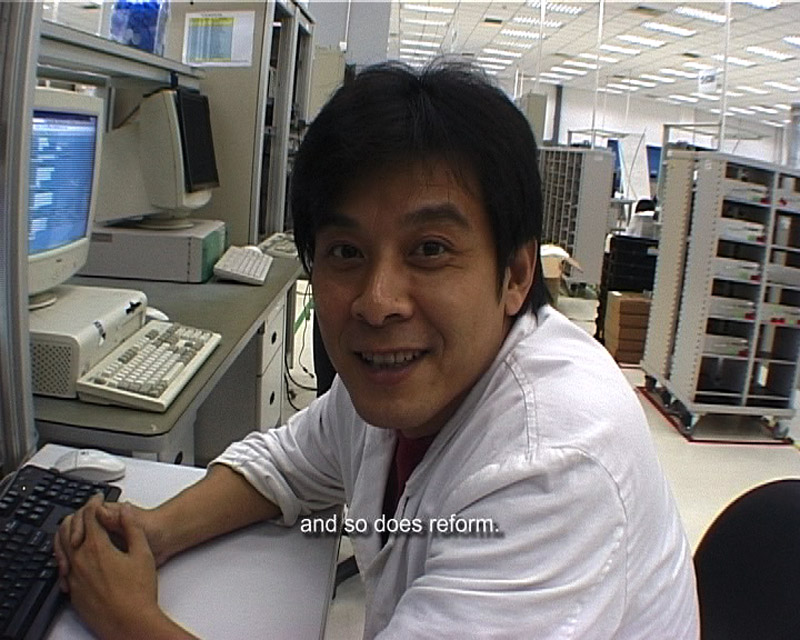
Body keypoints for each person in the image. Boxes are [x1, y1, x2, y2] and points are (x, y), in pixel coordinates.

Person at [55, 60, 699, 639]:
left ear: (516, 274)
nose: (376, 301)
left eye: (430, 250)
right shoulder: (405, 384)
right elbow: (288, 463)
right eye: (346, 252)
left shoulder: (555, 465)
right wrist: (156, 531)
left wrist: (129, 620)